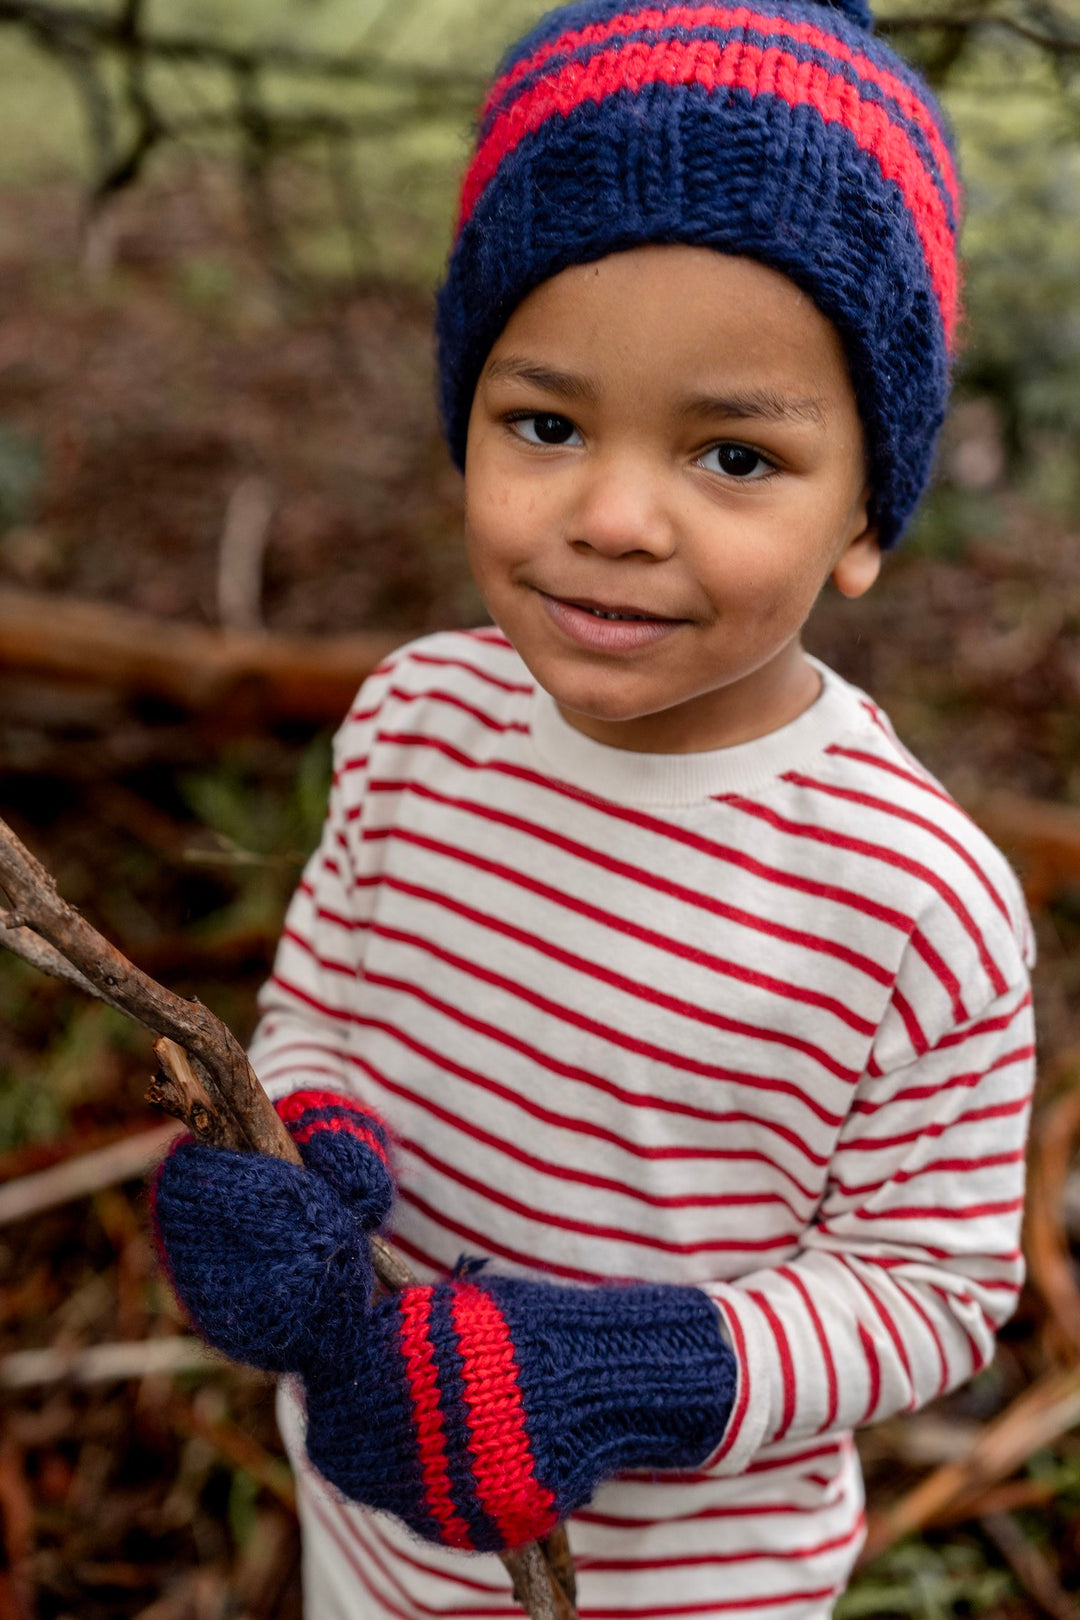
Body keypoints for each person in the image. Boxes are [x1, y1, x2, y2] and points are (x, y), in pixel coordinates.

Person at [152, 1, 1037, 1616]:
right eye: (546, 426)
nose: (615, 516)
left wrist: (631, 1368)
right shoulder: (422, 720)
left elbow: (930, 1292)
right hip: (372, 1526)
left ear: (867, 513)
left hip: (683, 1587)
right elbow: (325, 998)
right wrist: (301, 1150)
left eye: (735, 457)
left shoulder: (913, 896)